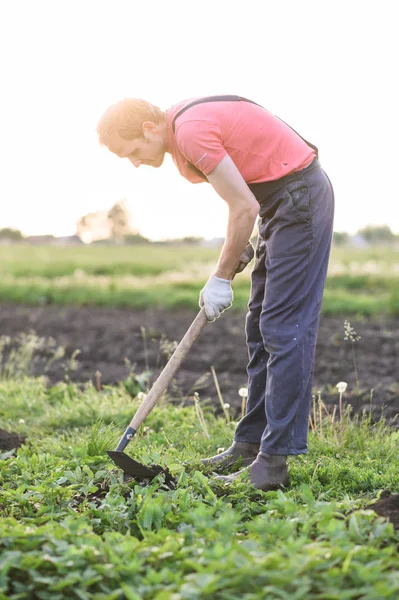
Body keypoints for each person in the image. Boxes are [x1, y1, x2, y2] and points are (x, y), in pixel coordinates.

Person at [97, 95, 335, 492]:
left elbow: (242, 206)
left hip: (300, 199)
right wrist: (238, 248)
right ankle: (248, 444)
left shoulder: (189, 132)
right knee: (260, 327)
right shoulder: (181, 130)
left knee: (283, 329)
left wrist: (221, 276)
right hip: (278, 203)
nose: (135, 163)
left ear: (148, 129)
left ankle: (272, 465)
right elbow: (245, 195)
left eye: (133, 152)